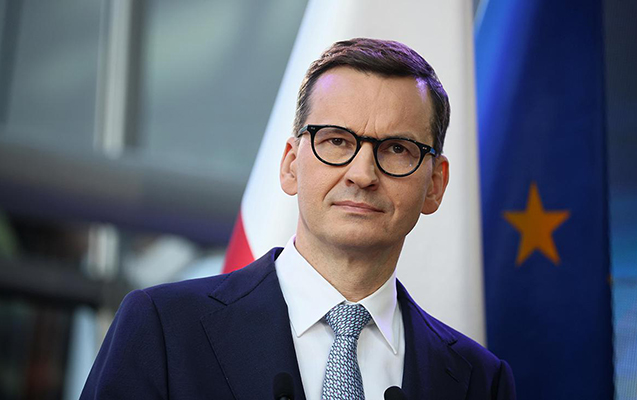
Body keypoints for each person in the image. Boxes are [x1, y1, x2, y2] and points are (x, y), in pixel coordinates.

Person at [81, 38, 515, 400]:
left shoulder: (480, 381)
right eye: (337, 141)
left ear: (435, 184)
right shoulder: (163, 328)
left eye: (397, 149)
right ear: (291, 165)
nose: (362, 174)